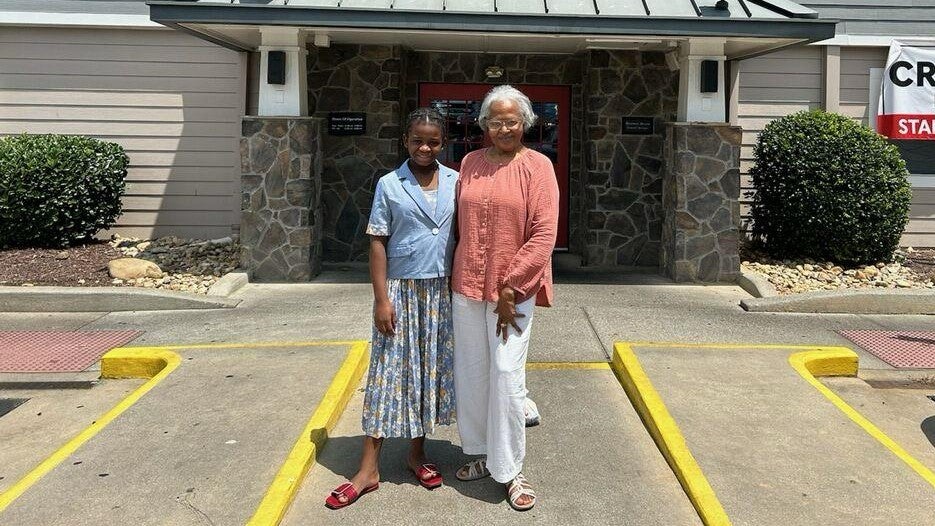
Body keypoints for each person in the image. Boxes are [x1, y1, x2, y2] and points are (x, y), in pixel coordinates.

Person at [326, 108, 457, 509]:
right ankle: (368, 468)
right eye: (417, 139)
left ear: (442, 142)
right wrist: (381, 299)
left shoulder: (456, 180)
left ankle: (417, 453)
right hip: (400, 291)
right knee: (388, 376)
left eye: (433, 141)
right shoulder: (389, 183)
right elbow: (378, 242)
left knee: (426, 373)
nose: (425, 147)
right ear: (405, 140)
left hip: (441, 294)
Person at [451, 85, 559, 512]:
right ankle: (483, 454)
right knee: (473, 373)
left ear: (525, 123)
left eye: (511, 121)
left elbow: (544, 234)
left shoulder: (538, 167)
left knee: (505, 373)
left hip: (513, 292)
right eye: (495, 121)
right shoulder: (469, 163)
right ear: (484, 124)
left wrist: (511, 286)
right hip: (467, 285)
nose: (503, 128)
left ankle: (512, 469)